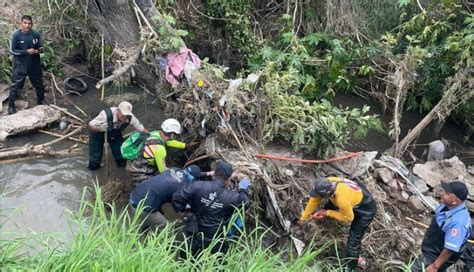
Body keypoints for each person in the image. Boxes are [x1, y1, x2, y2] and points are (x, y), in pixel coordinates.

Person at [172, 160, 251, 256]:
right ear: (229, 179)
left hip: (193, 230)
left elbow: (177, 197)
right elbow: (245, 203)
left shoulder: (197, 185)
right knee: (214, 260)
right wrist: (243, 189)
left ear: (215, 174)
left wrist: (183, 211)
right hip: (215, 237)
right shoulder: (232, 197)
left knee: (188, 256)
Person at [297, 176, 377, 270]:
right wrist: (303, 218)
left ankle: (350, 268)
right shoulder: (328, 182)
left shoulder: (342, 200)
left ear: (325, 194)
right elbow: (313, 201)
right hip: (351, 198)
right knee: (331, 207)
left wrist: (327, 213)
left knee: (353, 241)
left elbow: (348, 217)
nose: (316, 196)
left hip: (365, 209)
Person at [411, 181, 471, 272]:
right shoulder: (446, 205)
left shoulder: (458, 223)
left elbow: (450, 249)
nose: (441, 193)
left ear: (455, 201)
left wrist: (435, 266)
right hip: (430, 249)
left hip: (435, 257)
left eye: (446, 193)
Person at [129, 165, 203, 231]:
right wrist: (182, 210)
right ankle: (165, 245)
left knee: (146, 220)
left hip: (135, 194)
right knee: (164, 226)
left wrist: (209, 173)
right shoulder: (183, 186)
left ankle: (144, 232)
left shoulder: (175, 169)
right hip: (144, 205)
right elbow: (176, 203)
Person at [87, 101, 148, 171]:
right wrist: (100, 128)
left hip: (114, 134)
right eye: (123, 114)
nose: (125, 117)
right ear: (118, 111)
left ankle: (121, 167)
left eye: (127, 115)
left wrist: (151, 136)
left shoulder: (131, 118)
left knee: (121, 154)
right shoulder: (105, 115)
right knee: (95, 156)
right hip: (97, 133)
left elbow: (142, 129)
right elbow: (90, 126)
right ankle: (94, 170)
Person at [126, 118, 186, 183]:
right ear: (172, 134)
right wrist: (176, 171)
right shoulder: (160, 149)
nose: (175, 137)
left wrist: (185, 145)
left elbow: (169, 142)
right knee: (154, 185)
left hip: (131, 164)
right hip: (137, 174)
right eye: (175, 135)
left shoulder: (156, 133)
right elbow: (162, 170)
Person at [8, 15, 45, 114]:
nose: (27, 25)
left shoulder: (36, 34)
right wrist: (26, 52)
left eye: (29, 23)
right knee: (16, 86)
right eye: (25, 23)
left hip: (34, 63)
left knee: (39, 83)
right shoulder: (16, 35)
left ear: (32, 24)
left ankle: (41, 102)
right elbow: (12, 51)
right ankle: (11, 106)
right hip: (20, 65)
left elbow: (41, 46)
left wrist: (39, 50)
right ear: (21, 23)